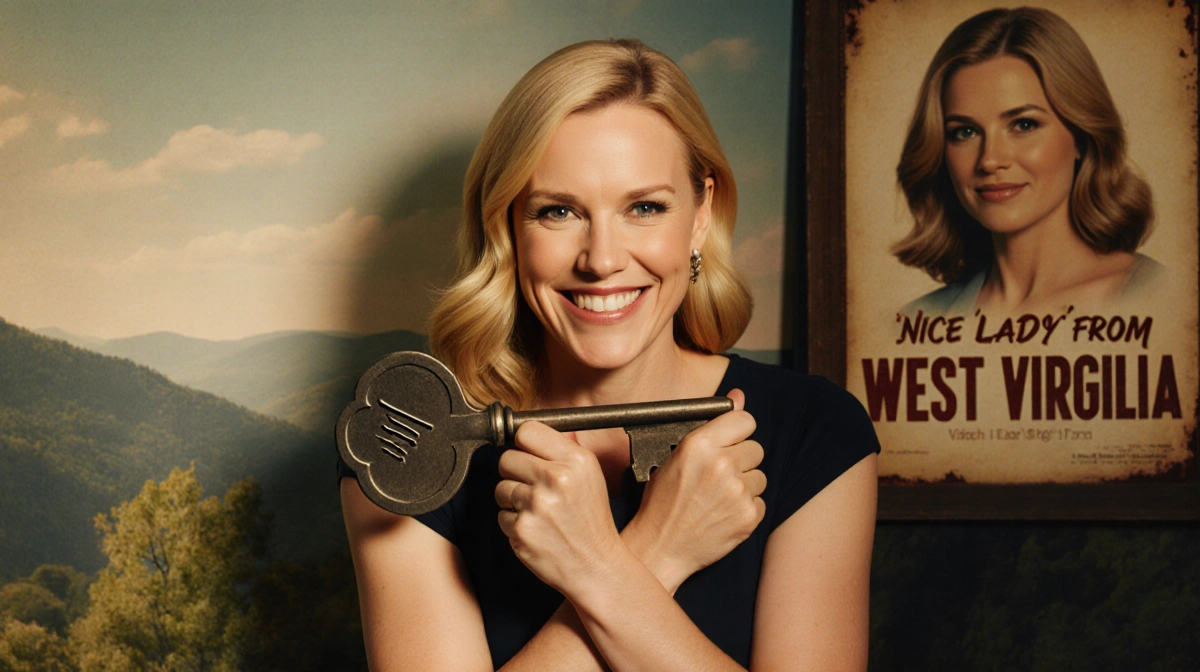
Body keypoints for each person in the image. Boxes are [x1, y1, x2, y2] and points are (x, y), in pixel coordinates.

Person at [340, 39, 879, 670]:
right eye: (558, 211)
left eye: (645, 207)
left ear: (700, 215)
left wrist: (598, 567)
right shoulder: (411, 446)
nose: (601, 259)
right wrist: (657, 548)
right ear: (507, 226)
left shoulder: (817, 434)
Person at [893, 7, 1162, 316]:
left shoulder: (1168, 301)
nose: (990, 160)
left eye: (1023, 125)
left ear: (1082, 137)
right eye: (965, 132)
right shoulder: (915, 324)